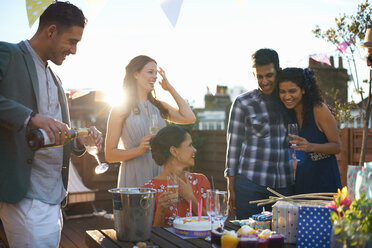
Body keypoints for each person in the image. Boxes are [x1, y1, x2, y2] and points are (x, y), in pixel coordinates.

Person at [0, 2, 103, 247]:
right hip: (23, 196)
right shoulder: (9, 54)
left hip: (55, 197)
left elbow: (60, 133)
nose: (75, 50)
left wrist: (79, 139)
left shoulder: (56, 78)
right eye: (72, 41)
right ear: (51, 31)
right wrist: (29, 116)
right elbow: (32, 119)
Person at [105, 55, 196, 188]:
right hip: (134, 174)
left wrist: (169, 88)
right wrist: (139, 150)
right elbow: (110, 155)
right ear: (135, 74)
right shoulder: (120, 109)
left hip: (161, 173)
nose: (155, 76)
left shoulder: (159, 106)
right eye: (150, 72)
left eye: (156, 73)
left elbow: (189, 117)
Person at [225, 48, 294, 219]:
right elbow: (233, 148)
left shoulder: (290, 100)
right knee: (247, 236)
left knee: (283, 238)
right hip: (249, 184)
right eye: (259, 76)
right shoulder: (243, 103)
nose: (264, 81)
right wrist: (230, 187)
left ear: (278, 72)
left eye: (269, 76)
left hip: (284, 185)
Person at [277, 67, 342, 194]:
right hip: (302, 182)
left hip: (325, 182)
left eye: (292, 91)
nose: (287, 96)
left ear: (304, 90)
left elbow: (337, 146)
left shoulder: (319, 109)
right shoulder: (288, 114)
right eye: (282, 92)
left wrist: (310, 146)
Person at [142, 126, 210, 227]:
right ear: (174, 151)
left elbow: (213, 224)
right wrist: (160, 210)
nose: (194, 149)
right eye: (190, 145)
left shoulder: (200, 181)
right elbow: (151, 236)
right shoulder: (148, 190)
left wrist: (190, 197)